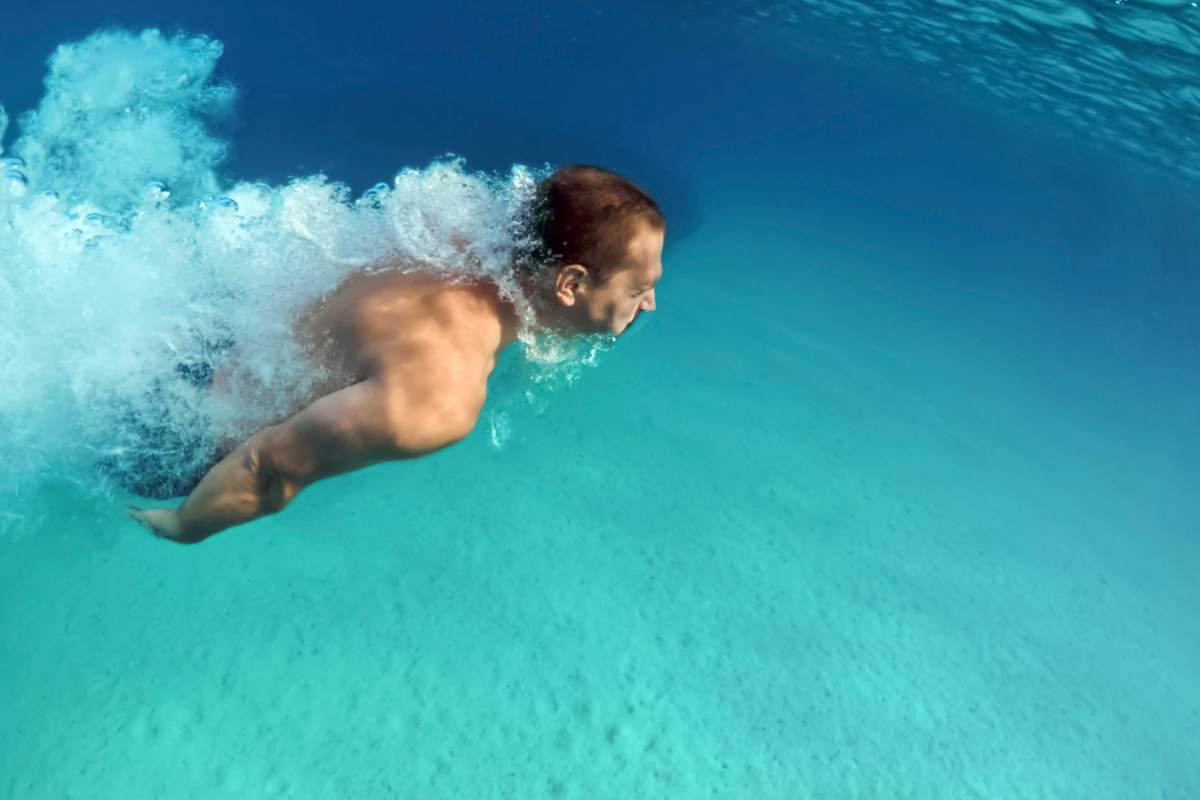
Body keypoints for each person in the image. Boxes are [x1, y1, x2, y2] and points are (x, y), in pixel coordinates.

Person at [127, 164, 664, 543]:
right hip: (181, 443)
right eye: (639, 289)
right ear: (568, 283)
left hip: (218, 347)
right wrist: (182, 527)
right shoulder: (440, 399)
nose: (652, 303)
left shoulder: (449, 235)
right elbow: (264, 468)